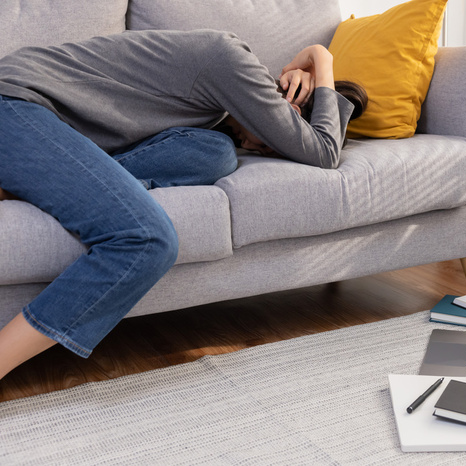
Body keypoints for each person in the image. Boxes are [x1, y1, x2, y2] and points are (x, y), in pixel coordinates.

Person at [0, 29, 367, 382]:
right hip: (15, 104)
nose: (261, 148)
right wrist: (321, 57)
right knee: (147, 240)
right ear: (287, 98)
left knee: (217, 153)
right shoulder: (232, 61)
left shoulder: (212, 116)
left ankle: (38, 182)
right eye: (278, 137)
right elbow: (324, 152)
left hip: (37, 124)